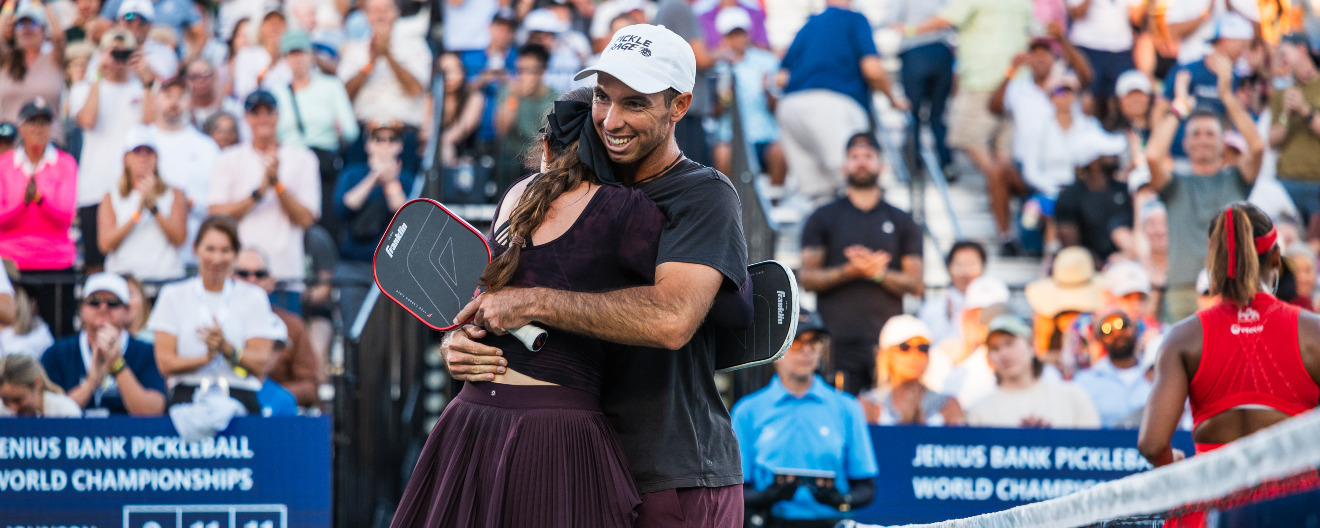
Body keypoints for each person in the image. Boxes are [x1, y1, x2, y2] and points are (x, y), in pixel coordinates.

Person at [444, 24, 751, 526]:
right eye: (603, 98)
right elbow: (501, 305)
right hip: (577, 470)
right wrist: (467, 345)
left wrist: (531, 302)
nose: (611, 119)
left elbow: (672, 318)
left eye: (634, 103)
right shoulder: (563, 194)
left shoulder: (704, 194)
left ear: (679, 106)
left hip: (671, 473)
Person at [391, 88, 664, 528]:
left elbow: (485, 300)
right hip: (555, 433)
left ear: (546, 146)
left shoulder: (516, 194)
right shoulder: (629, 208)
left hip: (470, 418)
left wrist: (455, 336)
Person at [1139, 203, 1320, 465]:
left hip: (1214, 499)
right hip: (1291, 500)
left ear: (1213, 262)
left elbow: (1152, 444)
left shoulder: (1182, 338)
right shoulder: (1312, 331)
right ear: (1276, 258)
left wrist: (1174, 469)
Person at [799, 133, 924, 395]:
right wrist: (850, 270)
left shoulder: (902, 221)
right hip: (836, 342)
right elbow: (807, 278)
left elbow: (915, 283)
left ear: (882, 165)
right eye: (854, 157)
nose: (861, 163)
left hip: (891, 346)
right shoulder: (823, 217)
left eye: (868, 156)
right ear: (844, 167)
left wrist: (878, 273)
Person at [732, 308, 877, 528]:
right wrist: (768, 496)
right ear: (776, 350)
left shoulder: (847, 407)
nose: (807, 351)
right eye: (796, 342)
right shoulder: (747, 411)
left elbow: (866, 487)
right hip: (770, 522)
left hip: (830, 522)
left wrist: (840, 500)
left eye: (814, 342)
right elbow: (735, 491)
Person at [1148, 54, 1264, 322]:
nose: (1202, 140)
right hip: (1183, 290)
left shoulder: (1236, 179)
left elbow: (1257, 147)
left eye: (1210, 133)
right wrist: (1179, 108)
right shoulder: (1174, 184)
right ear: (1185, 144)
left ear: (1223, 143)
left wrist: (1227, 96)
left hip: (1230, 289)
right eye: (1195, 134)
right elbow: (1153, 156)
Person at [905, 0, 1035, 222]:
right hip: (1018, 82)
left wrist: (908, 30)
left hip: (984, 79)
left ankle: (1004, 183)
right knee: (1003, 152)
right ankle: (1006, 203)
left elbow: (946, 19)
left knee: (964, 138)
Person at [148, 216, 285, 414]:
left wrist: (227, 348)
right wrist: (206, 358)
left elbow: (260, 363)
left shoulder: (254, 297)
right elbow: (165, 363)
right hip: (186, 396)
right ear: (196, 249)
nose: (217, 258)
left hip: (239, 394)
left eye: (225, 250)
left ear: (236, 253)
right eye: (210, 249)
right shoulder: (172, 295)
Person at [777, 0, 904, 204]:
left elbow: (780, 78)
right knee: (855, 180)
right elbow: (872, 69)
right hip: (832, 104)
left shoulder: (809, 24)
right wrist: (892, 99)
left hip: (791, 108)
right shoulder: (854, 19)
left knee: (818, 194)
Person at [208, 90, 320, 314]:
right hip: (240, 275)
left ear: (277, 115)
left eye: (268, 111)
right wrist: (258, 194)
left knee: (284, 346)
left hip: (284, 275)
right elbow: (216, 214)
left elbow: (307, 218)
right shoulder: (228, 159)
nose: (262, 118)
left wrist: (277, 186)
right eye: (255, 112)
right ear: (247, 118)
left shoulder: (303, 158)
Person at [71, 28, 147, 271]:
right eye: (114, 52)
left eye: (125, 53)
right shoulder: (85, 87)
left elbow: (151, 127)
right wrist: (97, 75)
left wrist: (146, 80)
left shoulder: (141, 88)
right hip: (95, 186)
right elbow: (88, 120)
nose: (118, 59)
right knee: (95, 261)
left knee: (132, 256)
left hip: (132, 187)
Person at [40, 272, 166, 416]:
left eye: (113, 302)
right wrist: (92, 381)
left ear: (127, 311)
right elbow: (49, 415)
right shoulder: (57, 354)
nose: (103, 308)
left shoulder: (147, 352)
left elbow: (152, 412)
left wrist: (117, 364)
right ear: (82, 308)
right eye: (94, 302)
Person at [0, 99, 76, 336]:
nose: (38, 129)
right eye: (32, 123)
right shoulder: (4, 165)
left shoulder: (65, 163)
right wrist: (23, 203)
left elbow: (65, 216)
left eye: (44, 123)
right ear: (21, 127)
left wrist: (40, 200)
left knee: (58, 332)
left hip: (55, 263)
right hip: (12, 264)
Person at [274, 29, 357, 238]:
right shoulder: (278, 93)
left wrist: (338, 132)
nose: (297, 59)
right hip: (290, 163)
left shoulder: (331, 86)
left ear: (311, 55)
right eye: (292, 54)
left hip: (323, 164)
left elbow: (350, 131)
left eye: (301, 52)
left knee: (325, 223)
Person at [332, 121, 413, 325]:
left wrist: (390, 181)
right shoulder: (352, 174)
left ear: (400, 146)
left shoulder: (408, 179)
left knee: (390, 332)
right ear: (368, 144)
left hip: (394, 271)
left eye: (391, 139)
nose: (384, 145)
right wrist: (374, 176)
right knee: (355, 328)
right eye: (378, 139)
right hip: (355, 267)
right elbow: (345, 206)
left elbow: (405, 215)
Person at [337, 0, 430, 172]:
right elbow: (343, 96)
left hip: (404, 134)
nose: (380, 15)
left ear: (397, 13)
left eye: (386, 9)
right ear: (366, 16)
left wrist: (388, 55)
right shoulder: (353, 49)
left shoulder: (415, 46)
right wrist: (370, 63)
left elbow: (416, 89)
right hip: (364, 134)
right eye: (375, 10)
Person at [967, 314, 1101, 428]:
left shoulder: (1072, 396)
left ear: (1031, 346)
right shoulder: (978, 411)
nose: (1004, 353)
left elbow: (1095, 448)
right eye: (995, 348)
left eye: (1010, 343)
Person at [97, 127, 188, 281]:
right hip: (125, 278)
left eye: (149, 151)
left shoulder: (175, 193)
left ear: (157, 158)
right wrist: (137, 213)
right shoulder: (111, 196)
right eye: (137, 151)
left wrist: (154, 209)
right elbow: (105, 244)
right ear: (126, 158)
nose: (143, 157)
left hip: (166, 276)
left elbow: (179, 238)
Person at [233, 248, 320, 408]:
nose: (251, 280)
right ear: (230, 279)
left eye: (259, 274)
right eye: (243, 274)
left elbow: (311, 387)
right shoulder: (217, 321)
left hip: (276, 417)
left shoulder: (292, 326)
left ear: (271, 282)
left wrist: (273, 396)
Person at [147, 76, 221, 262]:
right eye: (168, 95)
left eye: (181, 96)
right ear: (155, 100)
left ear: (190, 101)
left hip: (194, 251)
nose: (174, 102)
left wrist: (192, 205)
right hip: (148, 251)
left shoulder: (207, 147)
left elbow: (217, 199)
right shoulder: (140, 143)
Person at [710, 6, 784, 190]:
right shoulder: (717, 66)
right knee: (722, 154)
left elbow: (777, 106)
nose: (737, 40)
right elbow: (715, 112)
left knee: (779, 152)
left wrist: (768, 90)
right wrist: (725, 97)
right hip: (729, 135)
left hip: (763, 133)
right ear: (724, 38)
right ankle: (730, 202)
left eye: (740, 34)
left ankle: (775, 203)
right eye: (731, 35)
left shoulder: (767, 61)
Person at [886, 0, 955, 177]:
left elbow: (893, 22)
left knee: (913, 114)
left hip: (916, 53)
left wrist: (912, 30)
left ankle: (914, 165)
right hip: (940, 53)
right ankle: (945, 164)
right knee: (937, 115)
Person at [860, 314, 965, 426]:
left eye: (922, 348)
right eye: (904, 347)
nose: (914, 355)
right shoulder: (869, 406)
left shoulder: (948, 405)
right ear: (886, 354)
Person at [1268, 33, 1320, 223]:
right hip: (1287, 182)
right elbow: (1272, 141)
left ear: (1301, 50)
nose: (1280, 58)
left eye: (1284, 52)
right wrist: (1286, 116)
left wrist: (1305, 111)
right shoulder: (1281, 91)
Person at [1073, 309, 1153, 428]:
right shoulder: (1085, 382)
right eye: (1107, 330)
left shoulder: (1158, 373)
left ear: (1135, 329)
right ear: (1099, 339)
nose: (1117, 333)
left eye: (1123, 325)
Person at [494, 43, 558, 192]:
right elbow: (501, 130)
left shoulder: (555, 97)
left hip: (542, 156)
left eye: (529, 71)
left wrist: (543, 154)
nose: (523, 76)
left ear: (542, 72)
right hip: (513, 157)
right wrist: (513, 97)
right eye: (520, 70)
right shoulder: (510, 94)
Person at [0, 1, 66, 142]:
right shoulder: (6, 60)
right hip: (9, 142)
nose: (27, 29)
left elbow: (59, 36)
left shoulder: (53, 59)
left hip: (49, 142)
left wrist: (46, 3)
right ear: (14, 31)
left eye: (33, 23)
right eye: (21, 24)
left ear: (43, 30)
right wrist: (10, 3)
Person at [1066, 0, 1144, 116]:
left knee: (1122, 99)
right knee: (1088, 98)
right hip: (1088, 47)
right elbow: (1077, 13)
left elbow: (1136, 16)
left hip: (1121, 48)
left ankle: (1121, 131)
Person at [917, 241, 986, 344]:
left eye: (972, 264)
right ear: (949, 268)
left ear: (983, 267)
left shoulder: (995, 306)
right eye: (959, 265)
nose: (966, 272)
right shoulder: (932, 307)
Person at [0, 353, 80, 416]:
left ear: (37, 383)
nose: (12, 409)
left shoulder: (64, 411)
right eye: (5, 400)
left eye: (18, 400)